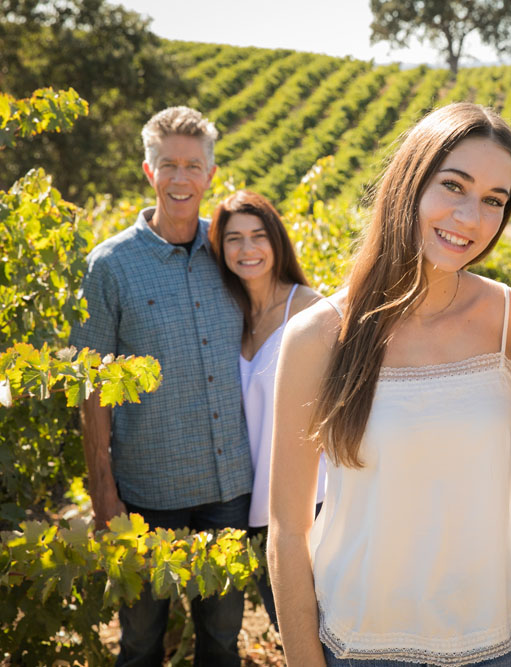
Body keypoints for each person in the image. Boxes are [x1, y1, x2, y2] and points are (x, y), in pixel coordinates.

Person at [269, 102, 511, 666]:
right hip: (362, 646)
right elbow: (288, 529)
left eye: (494, 200)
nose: (470, 217)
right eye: (453, 186)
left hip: (496, 642)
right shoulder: (318, 336)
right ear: (410, 181)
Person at [70, 106, 252, 666]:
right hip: (147, 491)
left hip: (229, 489)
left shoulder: (232, 251)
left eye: (192, 166)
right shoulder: (110, 266)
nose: (180, 178)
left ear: (210, 174)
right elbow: (91, 387)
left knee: (222, 641)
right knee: (141, 642)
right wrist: (103, 491)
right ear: (149, 171)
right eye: (168, 165)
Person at [208, 189, 322, 628]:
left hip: (315, 503)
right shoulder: (229, 316)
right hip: (259, 509)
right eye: (234, 238)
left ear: (276, 241)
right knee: (289, 632)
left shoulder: (309, 308)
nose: (247, 248)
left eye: (258, 235)